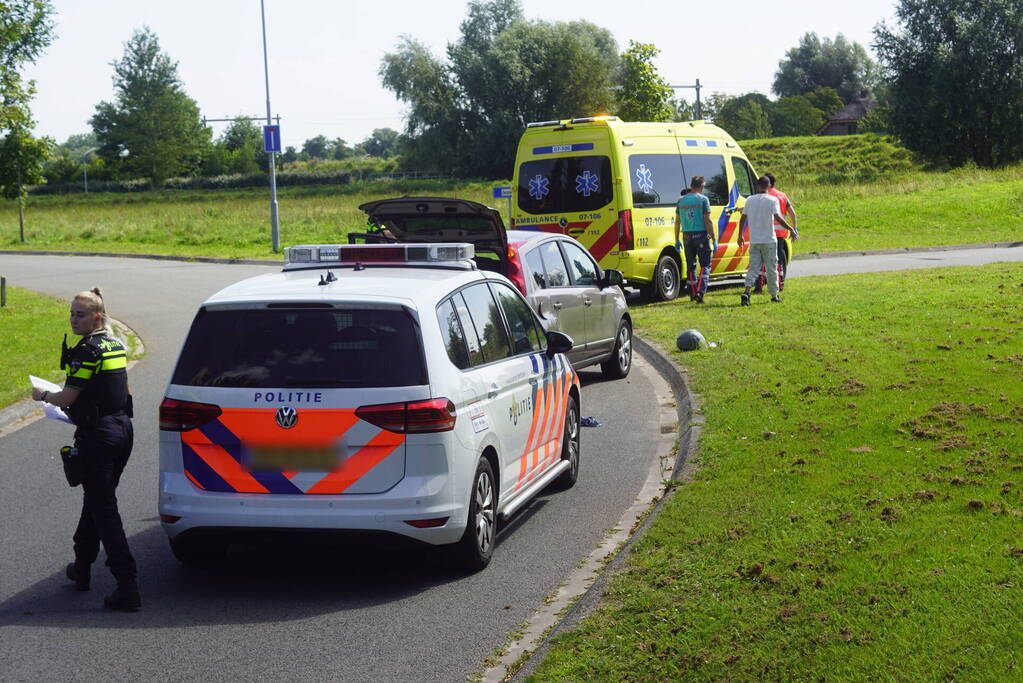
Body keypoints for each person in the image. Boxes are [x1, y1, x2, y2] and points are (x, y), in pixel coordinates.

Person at [31, 288, 140, 611]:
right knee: (96, 500)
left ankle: (127, 585)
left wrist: (42, 395)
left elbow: (67, 398)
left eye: (81, 314)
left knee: (104, 509)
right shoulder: (113, 345)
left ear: (98, 317)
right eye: (72, 313)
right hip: (122, 430)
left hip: (99, 437)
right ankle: (82, 568)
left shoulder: (87, 351)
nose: (74, 319)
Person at [738, 176, 795, 305]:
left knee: (753, 267)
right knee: (771, 268)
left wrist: (740, 235)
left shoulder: (750, 200)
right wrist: (790, 228)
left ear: (758, 186)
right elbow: (778, 217)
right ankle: (774, 295)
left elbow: (743, 219)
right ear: (769, 187)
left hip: (755, 240)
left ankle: (747, 291)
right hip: (769, 239)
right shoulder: (772, 200)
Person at [752, 172, 800, 293]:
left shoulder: (764, 196)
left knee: (762, 260)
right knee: (777, 261)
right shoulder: (782, 196)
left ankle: (759, 285)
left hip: (766, 232)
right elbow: (793, 213)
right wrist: (794, 228)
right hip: (780, 234)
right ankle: (780, 283)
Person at [673, 175, 716, 303]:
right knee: (705, 264)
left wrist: (676, 240)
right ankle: (700, 291)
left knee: (690, 266)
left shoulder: (681, 200)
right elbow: (708, 221)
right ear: (702, 186)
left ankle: (692, 294)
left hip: (686, 236)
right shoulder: (703, 200)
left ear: (691, 185)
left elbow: (677, 222)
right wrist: (714, 239)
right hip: (701, 235)